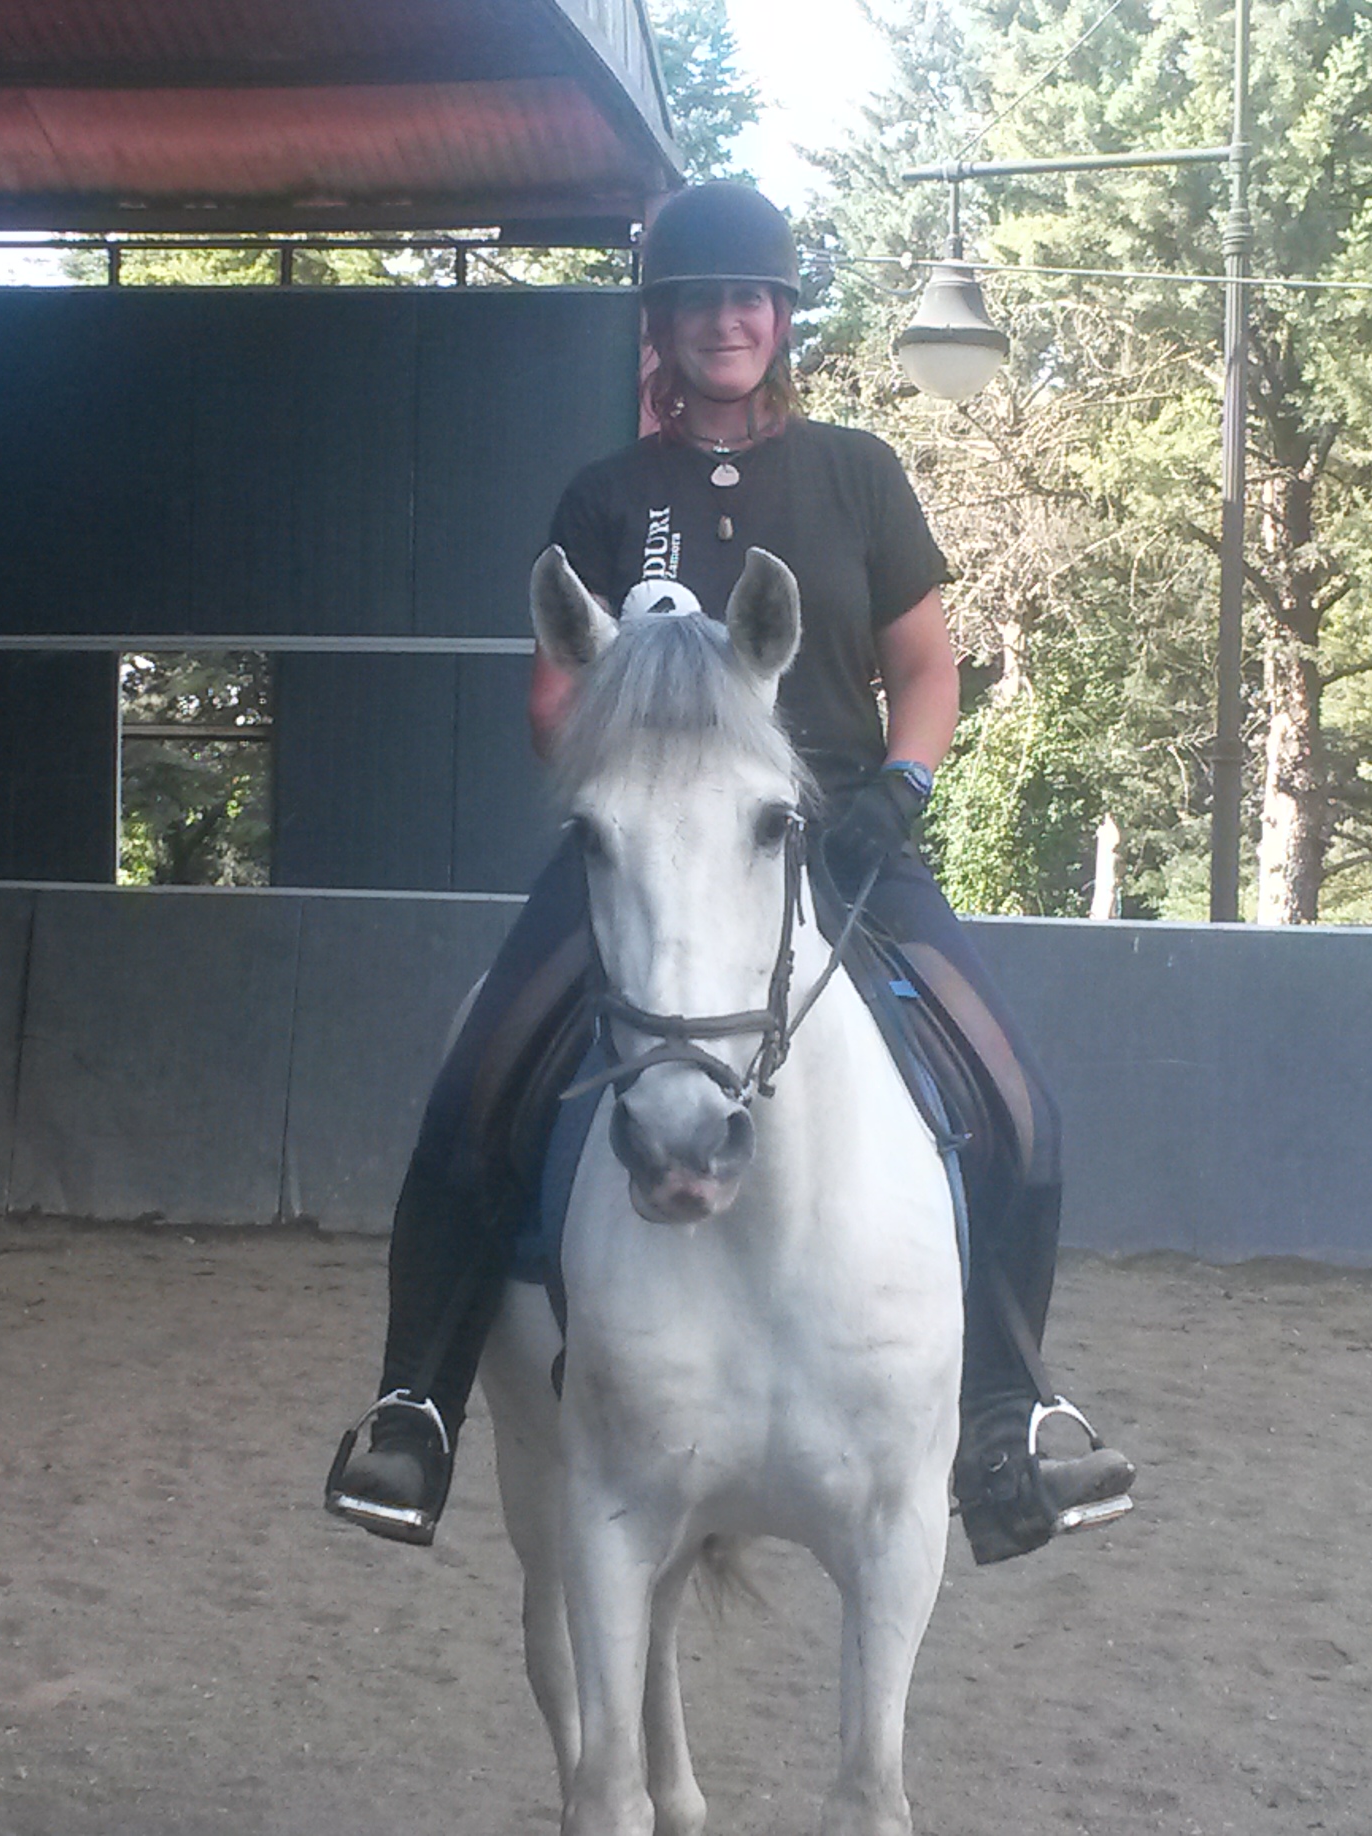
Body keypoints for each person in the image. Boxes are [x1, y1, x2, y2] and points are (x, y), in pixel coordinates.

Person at [324, 182, 1135, 1566]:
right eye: (697, 301)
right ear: (663, 324)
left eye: (748, 299)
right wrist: (635, 778)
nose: (725, 321)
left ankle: (1011, 1413)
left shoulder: (857, 474)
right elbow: (552, 697)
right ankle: (416, 1407)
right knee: (472, 1095)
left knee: (1020, 1105)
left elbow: (927, 668)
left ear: (781, 318)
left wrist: (901, 786)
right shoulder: (606, 495)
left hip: (844, 838)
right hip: (650, 844)